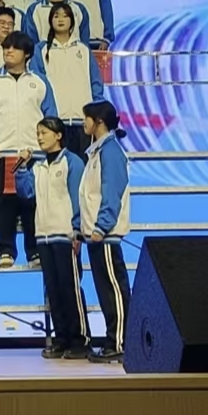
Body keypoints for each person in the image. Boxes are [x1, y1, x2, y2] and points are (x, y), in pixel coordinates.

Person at [14, 116, 91, 361]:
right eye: (38, 133)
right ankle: (61, 339)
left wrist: (77, 230)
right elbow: (26, 193)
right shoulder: (37, 166)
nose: (39, 137)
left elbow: (78, 197)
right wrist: (21, 168)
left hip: (66, 235)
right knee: (53, 291)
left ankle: (80, 340)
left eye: (44, 132)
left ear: (58, 135)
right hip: (43, 236)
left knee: (70, 289)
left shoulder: (72, 161)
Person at [0, 31, 57, 268]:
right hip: (4, 153)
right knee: (5, 203)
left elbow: (50, 116)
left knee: (34, 205)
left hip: (34, 154)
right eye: (6, 48)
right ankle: (5, 251)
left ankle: (35, 253)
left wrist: (47, 146)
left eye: (14, 48)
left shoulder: (40, 82)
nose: (8, 51)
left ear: (27, 54)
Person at [80, 100, 133, 363]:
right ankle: (112, 341)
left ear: (98, 121)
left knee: (115, 290)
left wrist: (102, 225)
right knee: (105, 292)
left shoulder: (110, 151)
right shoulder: (97, 151)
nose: (83, 123)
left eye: (86, 118)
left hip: (106, 235)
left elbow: (112, 191)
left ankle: (122, 343)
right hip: (95, 236)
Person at [31, 3, 107, 155]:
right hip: (56, 123)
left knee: (84, 166)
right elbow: (37, 85)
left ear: (72, 21)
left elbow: (96, 83)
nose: (61, 19)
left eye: (65, 16)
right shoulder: (41, 50)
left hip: (82, 123)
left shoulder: (83, 49)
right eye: (56, 16)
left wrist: (95, 115)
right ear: (50, 21)